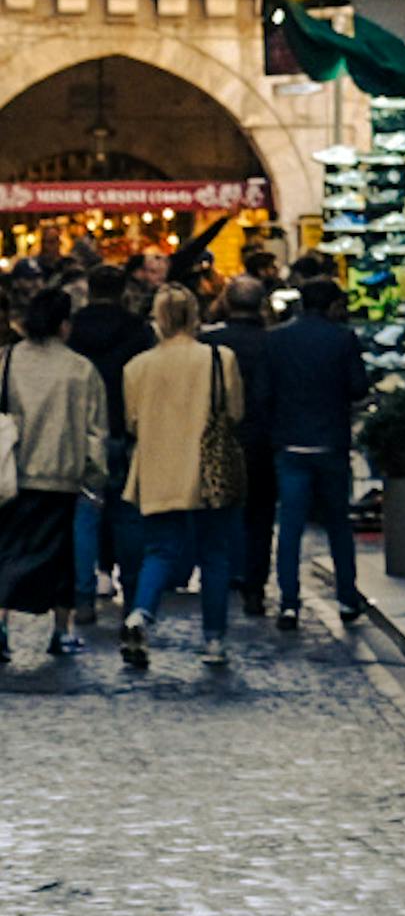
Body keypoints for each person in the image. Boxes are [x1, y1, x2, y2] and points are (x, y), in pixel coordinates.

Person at [120, 281, 245, 676]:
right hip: (209, 472)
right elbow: (235, 412)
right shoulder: (218, 358)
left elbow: (132, 422)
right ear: (195, 316)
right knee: (215, 554)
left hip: (158, 468)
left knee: (159, 550)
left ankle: (140, 614)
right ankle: (213, 639)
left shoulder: (136, 367)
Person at [0, 286, 109, 670]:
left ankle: (1, 627)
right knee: (61, 558)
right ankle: (60, 630)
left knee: (8, 551)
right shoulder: (81, 370)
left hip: (11, 474)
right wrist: (95, 477)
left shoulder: (7, 359)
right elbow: (95, 432)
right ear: (65, 325)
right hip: (63, 475)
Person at [259, 269, 372, 629]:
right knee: (338, 524)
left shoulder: (275, 340)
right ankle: (347, 598)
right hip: (330, 443)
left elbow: (262, 393)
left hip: (290, 443)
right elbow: (358, 388)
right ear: (333, 306)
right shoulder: (343, 339)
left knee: (290, 526)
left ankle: (288, 602)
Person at [64, 261, 153, 624]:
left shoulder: (74, 328)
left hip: (83, 431)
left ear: (90, 289)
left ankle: (83, 597)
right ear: (122, 292)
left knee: (85, 517)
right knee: (128, 516)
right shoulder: (138, 329)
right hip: (125, 429)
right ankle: (132, 593)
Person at [212, 274, 280, 616]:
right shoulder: (272, 342)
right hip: (264, 439)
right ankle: (255, 585)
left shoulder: (211, 343)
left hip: (220, 439)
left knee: (223, 514)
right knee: (260, 516)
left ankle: (225, 578)